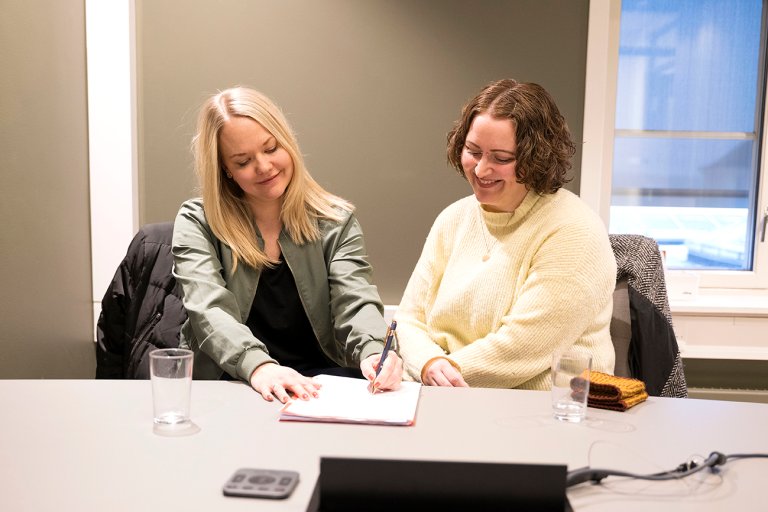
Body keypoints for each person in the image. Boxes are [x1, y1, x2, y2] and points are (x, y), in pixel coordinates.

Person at [172, 86, 402, 403]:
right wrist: (259, 367)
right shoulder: (198, 221)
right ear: (225, 170)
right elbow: (208, 310)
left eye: (271, 148)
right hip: (232, 382)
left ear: (287, 142)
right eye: (243, 161)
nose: (264, 167)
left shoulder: (336, 221)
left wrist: (375, 350)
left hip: (320, 385)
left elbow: (355, 300)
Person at [396, 79, 616, 389]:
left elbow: (521, 349)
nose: (482, 170)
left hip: (543, 415)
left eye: (501, 159)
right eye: (473, 151)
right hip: (444, 396)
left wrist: (438, 372)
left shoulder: (575, 231)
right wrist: (429, 363)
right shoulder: (453, 218)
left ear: (535, 157)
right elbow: (409, 319)